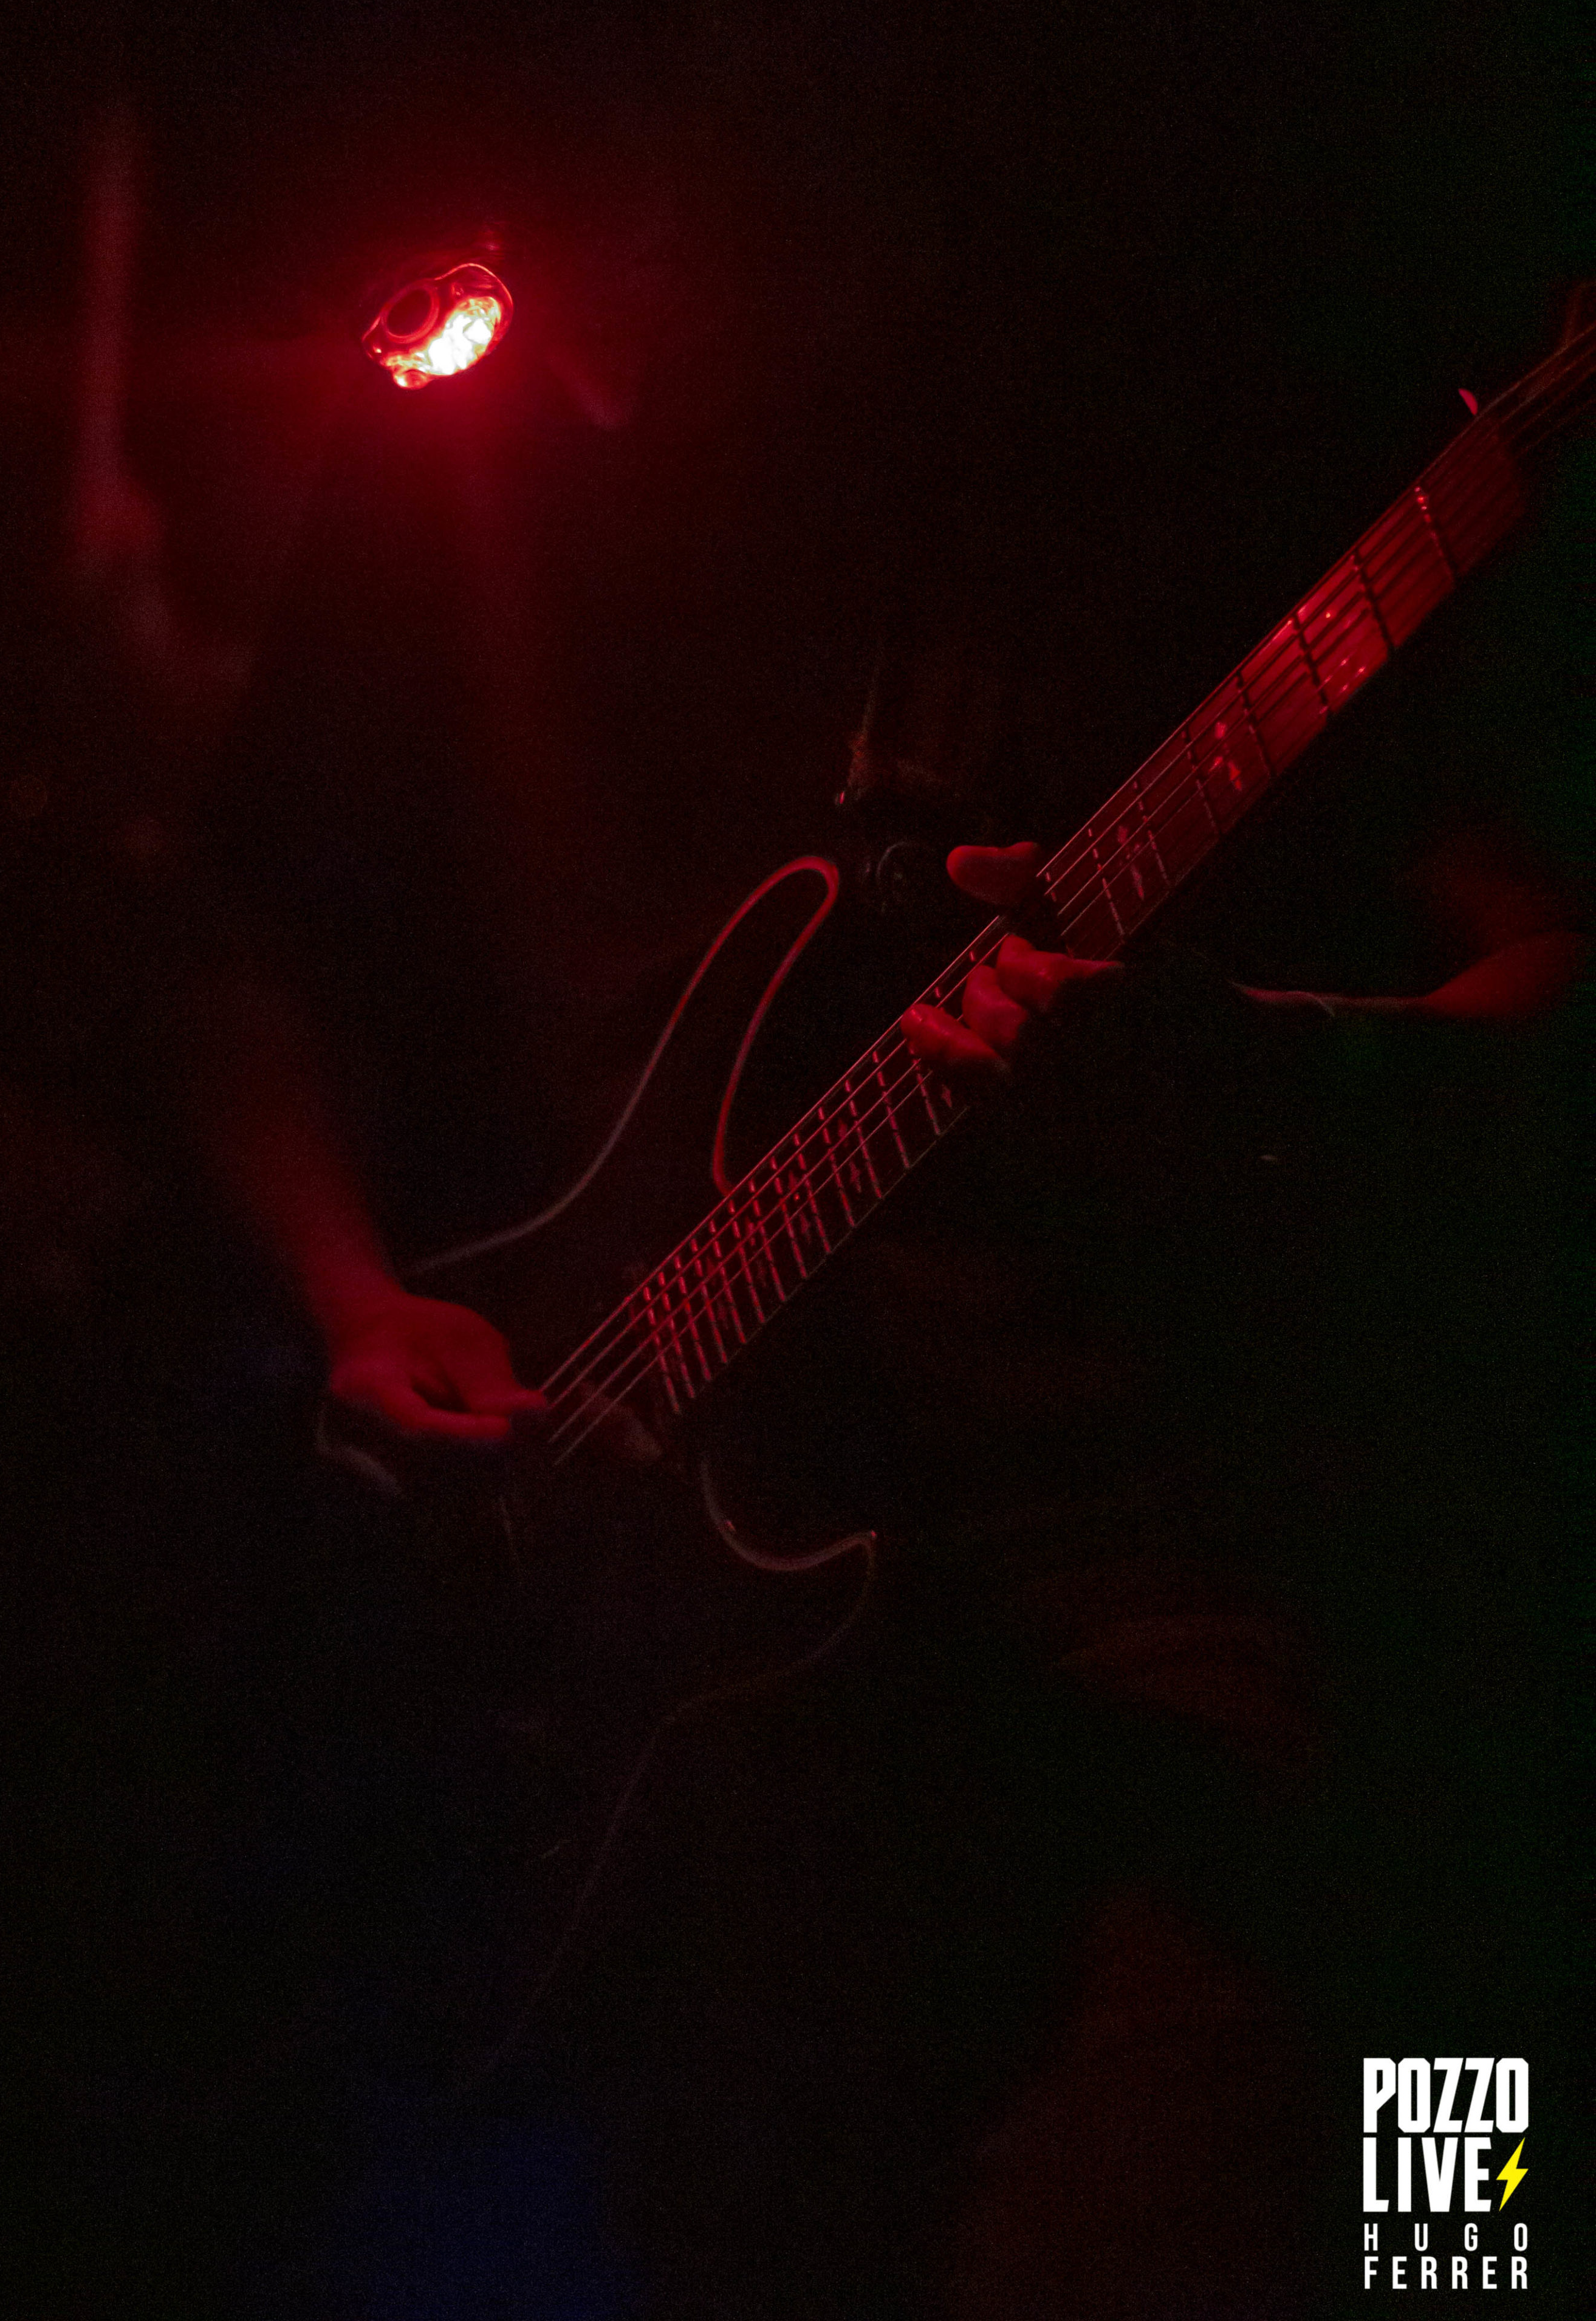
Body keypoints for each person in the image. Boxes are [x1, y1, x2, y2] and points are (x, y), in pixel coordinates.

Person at [182, 221, 1586, 2319]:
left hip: (1188, 1593)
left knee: (1377, 2234)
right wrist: (357, 1302)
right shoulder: (444, 468)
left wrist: (1257, 1058)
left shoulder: (1199, 389)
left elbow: (1553, 977)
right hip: (700, 1711)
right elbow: (231, 945)